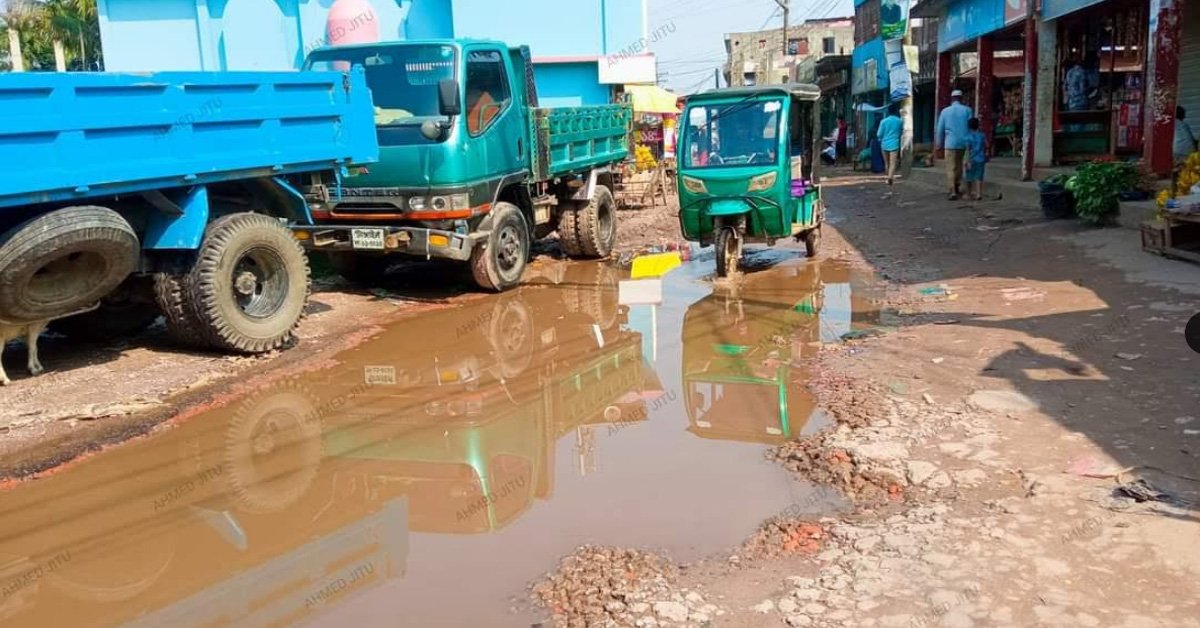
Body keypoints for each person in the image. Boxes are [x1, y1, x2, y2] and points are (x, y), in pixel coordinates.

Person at [934, 89, 973, 200]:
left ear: (952, 99)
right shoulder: (968, 110)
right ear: (961, 98)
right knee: (960, 166)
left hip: (950, 143)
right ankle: (957, 185)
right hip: (963, 143)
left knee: (950, 167)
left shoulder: (945, 111)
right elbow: (971, 128)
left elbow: (940, 129)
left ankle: (952, 191)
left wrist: (938, 144)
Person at [876, 104, 904, 194]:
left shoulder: (883, 121)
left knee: (887, 163)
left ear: (888, 112)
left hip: (884, 144)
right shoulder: (899, 121)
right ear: (896, 111)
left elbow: (879, 134)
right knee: (893, 163)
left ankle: (888, 177)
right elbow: (901, 132)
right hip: (894, 144)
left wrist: (882, 138)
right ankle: (890, 178)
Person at [963, 117, 988, 201]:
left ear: (969, 126)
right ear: (978, 126)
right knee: (979, 176)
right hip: (981, 159)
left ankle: (968, 193)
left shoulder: (967, 137)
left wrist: (966, 160)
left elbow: (967, 150)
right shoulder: (982, 135)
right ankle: (978, 193)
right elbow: (987, 145)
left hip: (971, 159)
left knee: (969, 177)